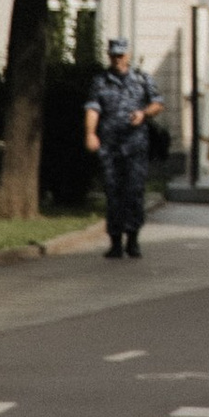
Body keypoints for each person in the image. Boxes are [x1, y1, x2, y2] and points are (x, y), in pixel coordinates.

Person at [86, 38, 162, 259]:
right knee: (113, 192)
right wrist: (90, 133)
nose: (117, 60)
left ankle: (133, 239)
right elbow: (93, 108)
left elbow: (157, 103)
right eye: (113, 55)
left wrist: (144, 113)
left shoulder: (141, 78)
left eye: (121, 55)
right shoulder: (101, 81)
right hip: (110, 146)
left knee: (134, 192)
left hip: (135, 146)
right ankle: (115, 242)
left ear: (128, 56)